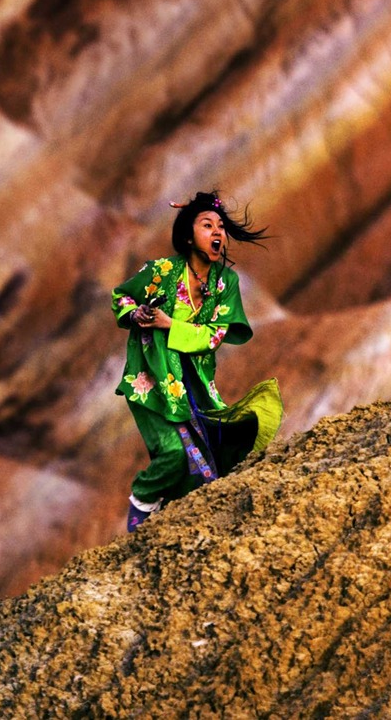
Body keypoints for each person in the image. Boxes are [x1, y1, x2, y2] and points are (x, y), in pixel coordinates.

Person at [111, 191, 283, 531]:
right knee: (174, 453)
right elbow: (122, 296)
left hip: (195, 384)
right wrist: (136, 313)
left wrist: (169, 324)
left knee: (213, 454)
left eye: (221, 226)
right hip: (152, 381)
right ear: (189, 236)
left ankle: (169, 520)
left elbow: (215, 335)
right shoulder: (160, 271)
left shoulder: (226, 283)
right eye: (207, 225)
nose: (217, 232)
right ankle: (142, 505)